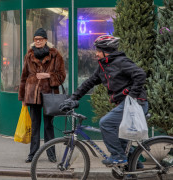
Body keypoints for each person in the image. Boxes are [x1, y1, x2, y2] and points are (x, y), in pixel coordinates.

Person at [60, 35, 148, 166]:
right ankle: (134, 164)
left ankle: (118, 156)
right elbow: (88, 83)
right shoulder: (103, 67)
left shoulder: (121, 62)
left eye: (98, 51)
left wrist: (132, 96)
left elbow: (140, 74)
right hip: (124, 104)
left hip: (136, 103)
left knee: (106, 123)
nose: (96, 54)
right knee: (120, 137)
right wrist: (72, 98)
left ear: (106, 52)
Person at [18, 28, 66, 163]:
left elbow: (62, 76)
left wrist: (48, 75)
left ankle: (51, 155)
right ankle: (33, 155)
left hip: (49, 95)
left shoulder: (55, 55)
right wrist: (22, 98)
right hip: (32, 95)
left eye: (40, 39)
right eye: (35, 39)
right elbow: (24, 77)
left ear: (46, 40)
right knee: (34, 126)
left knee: (48, 126)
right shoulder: (29, 55)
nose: (38, 41)